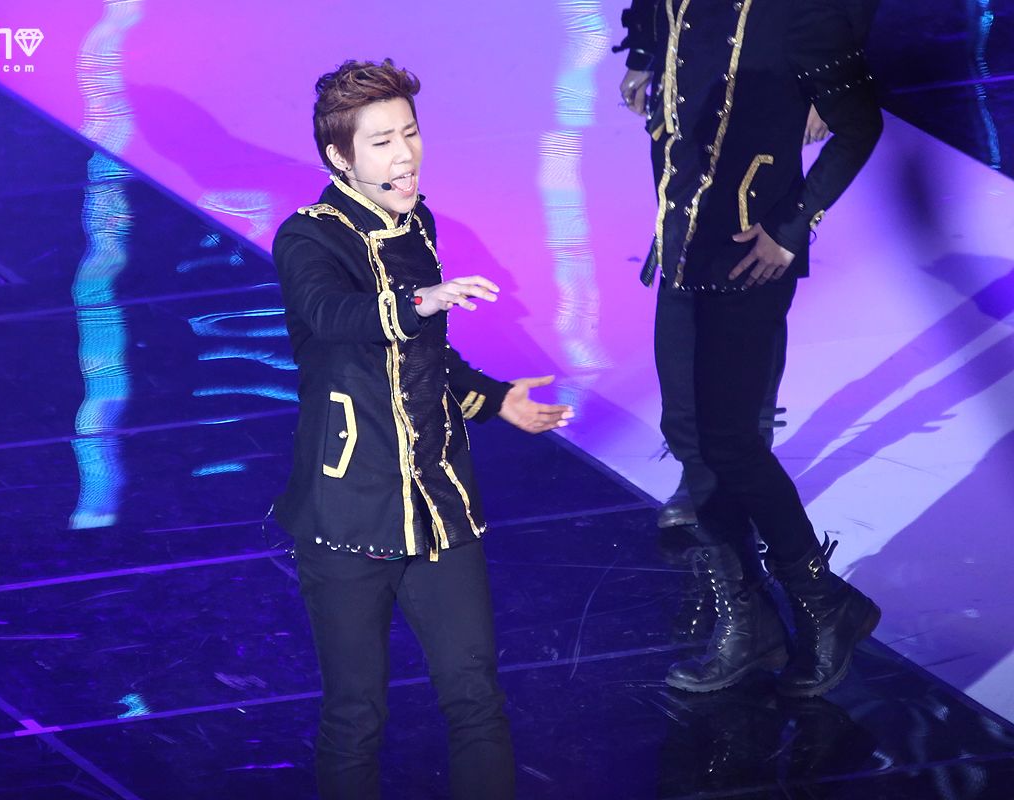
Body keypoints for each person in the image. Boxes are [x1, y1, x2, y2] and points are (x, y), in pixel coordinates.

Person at [272, 59, 572, 800]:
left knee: (476, 700)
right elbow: (333, 316)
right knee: (355, 716)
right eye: (381, 142)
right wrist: (420, 301)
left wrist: (495, 399)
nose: (404, 155)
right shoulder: (308, 237)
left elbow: (427, 359)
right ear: (340, 157)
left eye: (409, 133)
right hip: (348, 510)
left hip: (437, 503)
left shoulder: (418, 224)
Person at [615, 0, 885, 697]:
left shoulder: (796, 14)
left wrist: (792, 228)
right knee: (690, 435)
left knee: (731, 442)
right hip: (682, 247)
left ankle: (825, 604)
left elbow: (860, 126)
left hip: (748, 256)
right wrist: (642, 52)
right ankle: (751, 620)